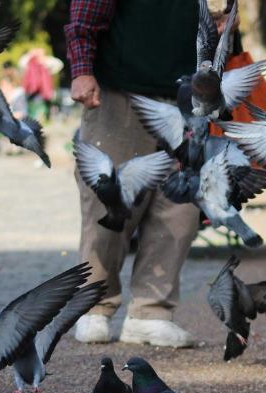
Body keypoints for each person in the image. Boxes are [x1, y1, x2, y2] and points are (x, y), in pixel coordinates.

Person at [64, 0, 201, 347]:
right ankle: (95, 306)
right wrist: (82, 69)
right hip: (119, 90)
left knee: (180, 209)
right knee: (108, 203)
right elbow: (86, 11)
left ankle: (150, 312)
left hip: (191, 95)